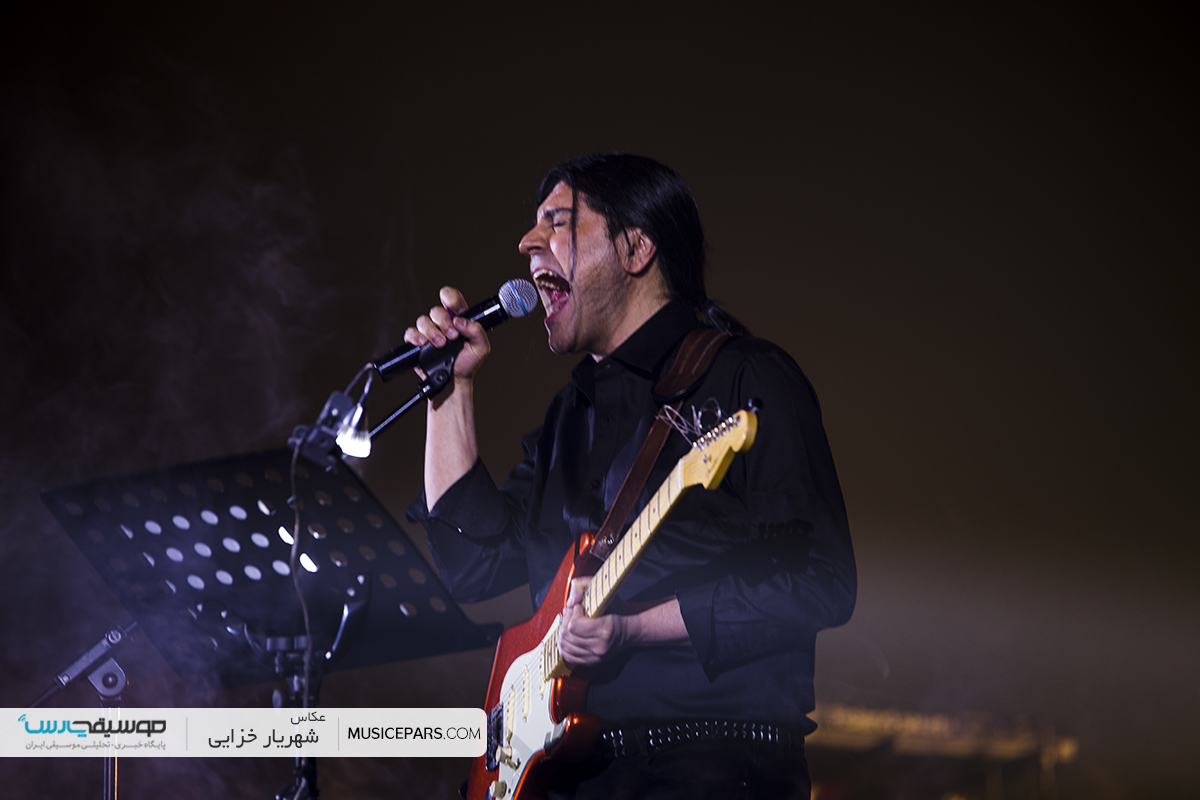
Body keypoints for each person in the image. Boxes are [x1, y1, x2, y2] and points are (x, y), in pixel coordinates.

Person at [405, 154, 856, 799]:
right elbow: (474, 565)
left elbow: (822, 583)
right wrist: (448, 390)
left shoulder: (745, 378)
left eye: (557, 222)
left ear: (636, 248)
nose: (527, 242)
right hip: (566, 774)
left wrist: (635, 627)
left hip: (709, 771)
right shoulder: (569, 415)